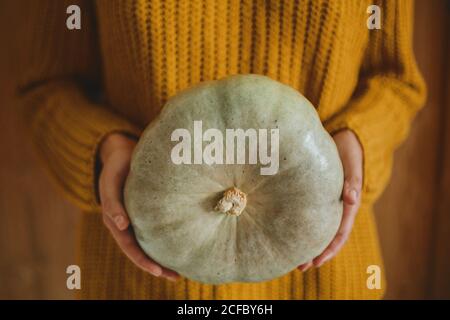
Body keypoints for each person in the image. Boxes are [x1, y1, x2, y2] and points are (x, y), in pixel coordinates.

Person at [18, 0, 426, 299]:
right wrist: (105, 150)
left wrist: (357, 139)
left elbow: (394, 79)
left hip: (322, 277)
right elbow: (47, 86)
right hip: (139, 278)